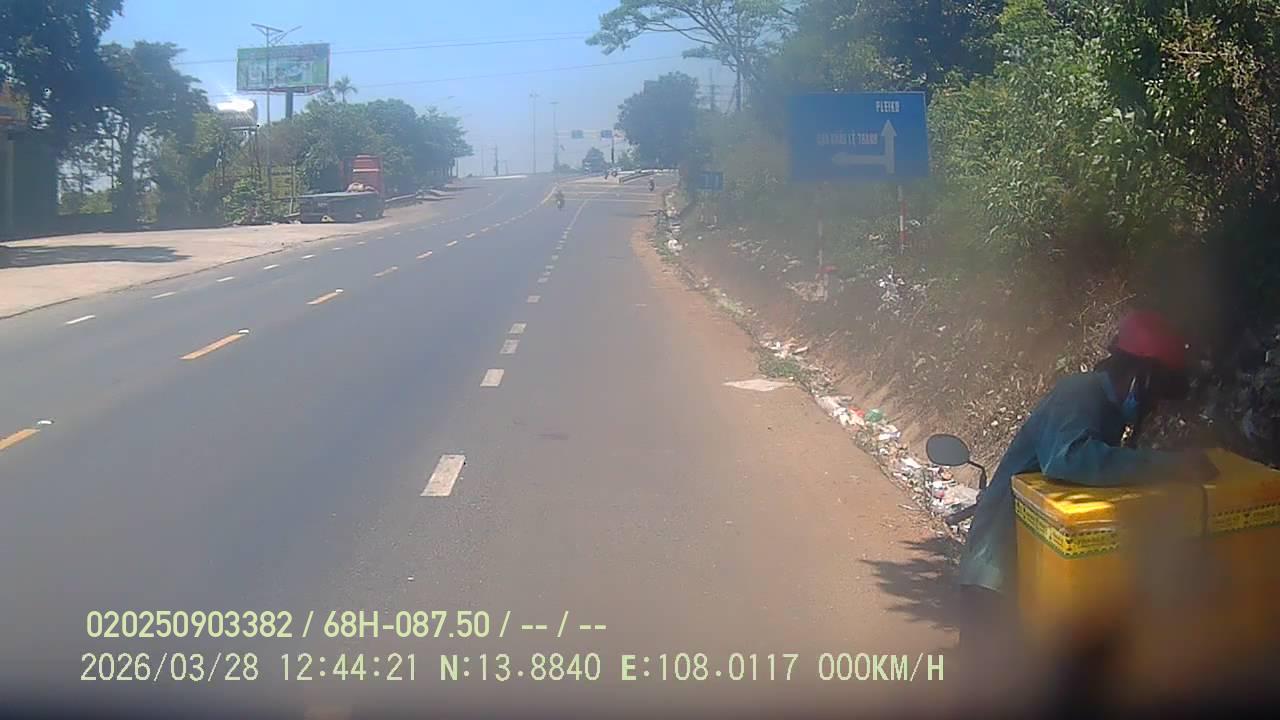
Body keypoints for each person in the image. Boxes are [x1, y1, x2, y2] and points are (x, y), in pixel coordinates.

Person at [956, 310, 1213, 665]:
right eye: (1156, 394)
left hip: (1032, 572)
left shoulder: (1108, 411)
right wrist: (1172, 468)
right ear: (1141, 376)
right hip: (997, 566)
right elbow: (1069, 459)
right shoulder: (1079, 394)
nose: (1155, 407)